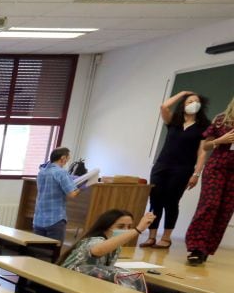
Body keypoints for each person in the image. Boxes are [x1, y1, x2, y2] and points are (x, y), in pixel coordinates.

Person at [145, 91, 209, 249]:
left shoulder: (204, 126)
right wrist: (183, 93)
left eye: (196, 101)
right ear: (183, 105)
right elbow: (164, 106)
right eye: (189, 101)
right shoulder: (173, 121)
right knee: (155, 201)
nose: (193, 103)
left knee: (171, 202)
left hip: (183, 168)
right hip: (161, 166)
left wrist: (196, 173)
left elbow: (202, 152)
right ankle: (151, 236)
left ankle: (166, 238)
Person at [185, 95, 234, 266]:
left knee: (225, 211)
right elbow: (205, 146)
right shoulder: (222, 120)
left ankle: (206, 249)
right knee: (210, 205)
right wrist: (221, 141)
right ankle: (196, 247)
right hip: (216, 168)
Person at [60, 210, 156, 272]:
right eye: (121, 226)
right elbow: (98, 250)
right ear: (106, 226)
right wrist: (138, 229)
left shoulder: (116, 246)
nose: (126, 230)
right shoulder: (95, 241)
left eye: (129, 227)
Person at [32, 147, 81, 243]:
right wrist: (81, 187)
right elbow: (72, 194)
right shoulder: (61, 172)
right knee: (53, 252)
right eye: (68, 158)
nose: (67, 161)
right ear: (63, 158)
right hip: (55, 219)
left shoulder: (42, 171)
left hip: (38, 218)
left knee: (37, 250)